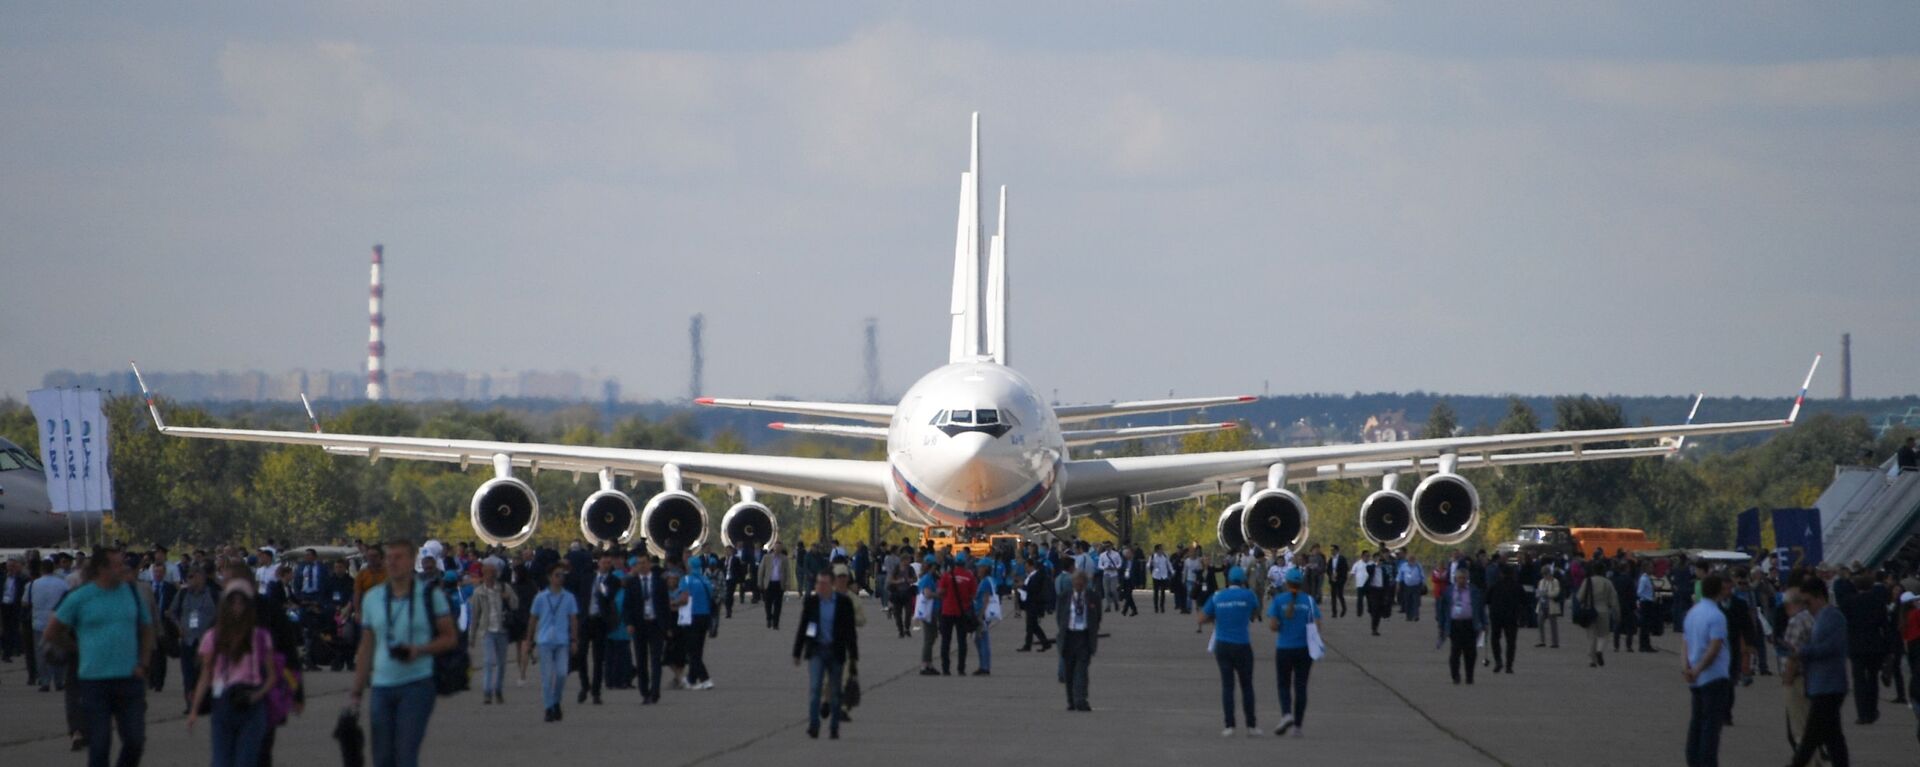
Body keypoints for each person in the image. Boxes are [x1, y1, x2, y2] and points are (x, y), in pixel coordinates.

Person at [44, 547, 155, 767]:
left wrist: (143, 662)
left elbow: (147, 628)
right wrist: (76, 648)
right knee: (100, 743)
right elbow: (52, 631)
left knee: (135, 740)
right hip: (95, 681)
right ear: (102, 568)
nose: (123, 568)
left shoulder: (131, 593)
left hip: (129, 678)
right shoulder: (81, 596)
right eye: (117, 564)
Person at [350, 540, 458, 767]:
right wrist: (356, 691)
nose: (392, 562)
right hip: (381, 686)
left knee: (405, 755)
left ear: (412, 561)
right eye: (389, 557)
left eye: (399, 557)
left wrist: (420, 649)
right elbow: (366, 647)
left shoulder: (430, 596)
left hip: (417, 684)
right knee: (382, 758)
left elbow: (449, 637)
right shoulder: (373, 599)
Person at [186, 578, 281, 767]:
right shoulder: (213, 637)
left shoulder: (260, 637)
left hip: (251, 702)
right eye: (233, 602)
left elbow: (271, 676)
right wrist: (194, 709)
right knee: (221, 761)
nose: (237, 607)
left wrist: (257, 695)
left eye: (242, 602)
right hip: (223, 702)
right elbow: (206, 675)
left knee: (246, 761)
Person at [1790, 576, 1850, 767]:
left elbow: (1832, 647)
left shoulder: (1832, 617)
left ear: (1819, 598)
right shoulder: (1822, 618)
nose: (1806, 607)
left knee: (1811, 737)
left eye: (1807, 602)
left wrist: (1803, 651)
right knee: (1833, 737)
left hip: (1828, 685)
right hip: (1823, 684)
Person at [793, 571, 858, 739]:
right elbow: (803, 626)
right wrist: (797, 651)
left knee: (835, 693)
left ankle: (834, 727)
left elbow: (850, 632)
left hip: (836, 652)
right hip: (817, 651)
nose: (820, 587)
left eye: (824, 583)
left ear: (832, 585)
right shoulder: (812, 602)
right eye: (818, 583)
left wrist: (853, 656)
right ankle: (814, 725)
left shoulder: (844, 603)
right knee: (815, 690)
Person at [1199, 566, 1258, 737]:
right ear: (1243, 581)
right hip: (1242, 644)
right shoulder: (1249, 595)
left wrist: (1217, 618)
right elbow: (1255, 613)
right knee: (1247, 686)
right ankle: (1251, 725)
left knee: (1227, 686)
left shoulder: (1218, 596)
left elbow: (1201, 618)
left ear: (1228, 580)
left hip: (1223, 645)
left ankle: (1229, 725)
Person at [1683, 575, 1731, 767]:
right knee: (1711, 727)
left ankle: (1693, 761)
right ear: (1719, 590)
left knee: (1696, 723)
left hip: (1695, 674)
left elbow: (1685, 644)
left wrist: (1687, 668)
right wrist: (1698, 669)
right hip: (1713, 675)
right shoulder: (1717, 615)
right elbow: (1715, 647)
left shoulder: (1692, 612)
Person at [1267, 567, 1317, 736]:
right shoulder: (1309, 601)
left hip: (1284, 648)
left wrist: (1283, 626)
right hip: (1304, 649)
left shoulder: (1279, 600)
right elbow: (1317, 626)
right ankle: (1298, 726)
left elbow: (1273, 626)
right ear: (1301, 583)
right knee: (1301, 687)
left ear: (1287, 583)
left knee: (1283, 684)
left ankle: (1286, 713)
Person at [528, 565, 578, 722]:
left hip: (562, 640)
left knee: (562, 673)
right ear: (550, 578)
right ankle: (549, 707)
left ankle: (556, 700)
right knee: (547, 676)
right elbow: (533, 618)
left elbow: (573, 619)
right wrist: (529, 640)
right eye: (557, 575)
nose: (560, 578)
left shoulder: (569, 597)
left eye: (562, 575)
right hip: (545, 640)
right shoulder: (541, 597)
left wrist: (574, 639)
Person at [171, 565, 219, 715]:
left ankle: (207, 704)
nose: (189, 579)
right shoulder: (183, 594)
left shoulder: (212, 593)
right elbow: (171, 612)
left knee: (206, 672)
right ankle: (191, 705)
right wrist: (178, 626)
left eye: (192, 576)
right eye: (188, 576)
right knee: (188, 674)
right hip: (188, 640)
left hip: (206, 640)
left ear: (201, 577)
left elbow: (222, 613)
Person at [622, 554, 669, 704]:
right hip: (639, 625)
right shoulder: (632, 583)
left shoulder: (659, 582)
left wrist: (667, 626)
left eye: (644, 563)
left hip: (655, 625)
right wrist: (629, 623)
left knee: (656, 660)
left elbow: (665, 605)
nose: (641, 566)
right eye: (639, 563)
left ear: (649, 564)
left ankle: (655, 691)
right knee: (641, 660)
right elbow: (626, 606)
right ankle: (644, 691)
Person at [467, 562, 516, 705]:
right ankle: (487, 692)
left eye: (494, 573)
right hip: (487, 630)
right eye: (488, 573)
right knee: (488, 662)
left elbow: (515, 604)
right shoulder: (479, 592)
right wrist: (472, 636)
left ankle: (498, 689)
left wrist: (508, 598)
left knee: (501, 663)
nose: (491, 576)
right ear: (484, 575)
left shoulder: (505, 587)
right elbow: (475, 615)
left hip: (502, 630)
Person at [1057, 571, 1100, 712]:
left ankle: (1081, 699)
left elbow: (1097, 617)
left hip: (1084, 637)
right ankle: (1071, 700)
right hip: (1069, 637)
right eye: (1076, 583)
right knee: (1069, 672)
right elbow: (1060, 617)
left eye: (1081, 584)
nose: (1079, 586)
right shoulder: (1065, 597)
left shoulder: (1093, 597)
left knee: (1081, 670)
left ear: (1085, 584)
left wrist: (1091, 631)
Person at [30, 556, 71, 691]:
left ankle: (44, 681)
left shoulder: (35, 584)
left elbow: (28, 601)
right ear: (53, 568)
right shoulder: (62, 583)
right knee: (59, 652)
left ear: (42, 569)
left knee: (41, 653)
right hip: (58, 621)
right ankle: (59, 681)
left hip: (39, 622)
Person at [1439, 568, 1485, 684]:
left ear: (1467, 579)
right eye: (1460, 578)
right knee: (1455, 651)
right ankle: (1455, 676)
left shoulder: (1474, 591)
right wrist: (1441, 623)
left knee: (1471, 652)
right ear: (1455, 578)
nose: (1462, 580)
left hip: (1470, 624)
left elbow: (1480, 608)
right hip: (1455, 625)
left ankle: (1469, 676)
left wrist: (1484, 623)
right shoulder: (1449, 591)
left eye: (1464, 578)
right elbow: (1442, 608)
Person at [937, 555, 979, 676]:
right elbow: (973, 595)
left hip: (947, 611)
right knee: (962, 641)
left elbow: (940, 592)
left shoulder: (947, 575)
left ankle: (945, 668)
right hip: (962, 612)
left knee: (946, 641)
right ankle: (961, 668)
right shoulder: (969, 576)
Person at [1579, 560, 1621, 668]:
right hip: (1604, 611)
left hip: (1590, 611)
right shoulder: (1608, 582)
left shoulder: (1587, 581)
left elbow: (1579, 597)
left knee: (1591, 636)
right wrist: (1617, 614)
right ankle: (1599, 650)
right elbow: (1614, 600)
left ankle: (1591, 660)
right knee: (1604, 634)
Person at [1486, 565, 1524, 673]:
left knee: (1495, 639)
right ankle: (1509, 665)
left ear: (1501, 574)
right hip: (1512, 617)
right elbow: (1525, 601)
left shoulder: (1495, 585)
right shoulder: (1517, 586)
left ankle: (1498, 660)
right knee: (1511, 642)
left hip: (1496, 616)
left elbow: (1486, 599)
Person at [759, 544, 787, 630]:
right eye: (776, 548)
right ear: (773, 549)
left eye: (779, 548)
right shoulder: (766, 558)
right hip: (769, 584)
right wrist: (760, 582)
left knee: (778, 605)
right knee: (768, 603)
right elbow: (761, 570)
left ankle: (776, 623)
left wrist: (788, 583)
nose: (777, 550)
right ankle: (769, 618)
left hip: (779, 584)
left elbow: (787, 572)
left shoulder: (784, 559)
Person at [1536, 562, 1563, 649]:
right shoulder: (1541, 581)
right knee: (1540, 622)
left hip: (1551, 605)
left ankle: (1555, 642)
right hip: (1542, 605)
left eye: (1546, 574)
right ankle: (1542, 641)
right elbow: (1539, 591)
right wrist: (1539, 594)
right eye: (1543, 574)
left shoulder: (1555, 581)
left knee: (1553, 625)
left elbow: (1556, 592)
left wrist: (1547, 594)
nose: (1544, 576)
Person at [1326, 546, 1348, 618]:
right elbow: (1328, 569)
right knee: (1333, 596)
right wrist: (1331, 575)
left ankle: (1344, 608)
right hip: (1333, 580)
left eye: (1333, 550)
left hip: (1340, 580)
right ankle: (1334, 612)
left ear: (1337, 550)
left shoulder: (1342, 559)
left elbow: (1345, 569)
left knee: (1340, 595)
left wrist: (1339, 576)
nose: (1332, 551)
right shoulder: (1331, 559)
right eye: (1331, 550)